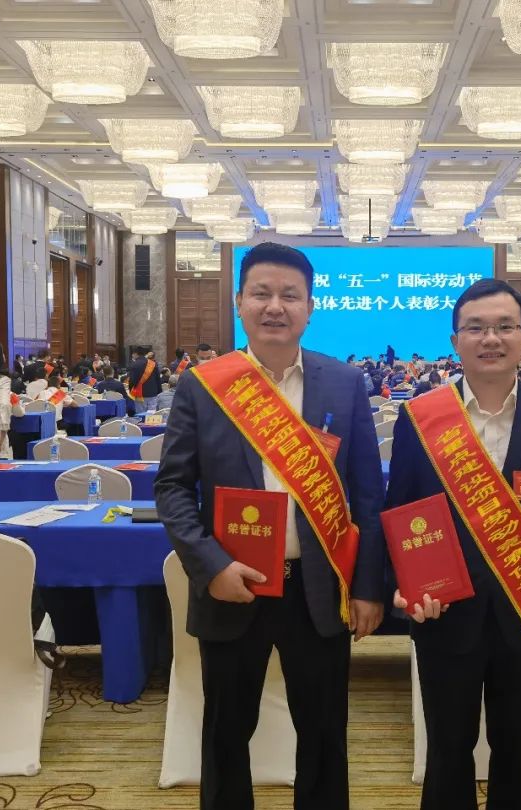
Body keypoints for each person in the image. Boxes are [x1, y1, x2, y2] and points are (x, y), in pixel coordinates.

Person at [154, 242, 386, 810]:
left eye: (290, 295)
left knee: (324, 734)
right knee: (226, 734)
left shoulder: (344, 383)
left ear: (310, 307)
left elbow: (366, 496)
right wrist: (211, 566)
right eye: (261, 293)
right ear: (240, 302)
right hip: (233, 585)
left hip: (319, 589)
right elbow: (173, 488)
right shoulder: (205, 384)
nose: (275, 306)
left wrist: (367, 587)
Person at [385, 278, 521, 810]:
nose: (491, 339)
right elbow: (401, 512)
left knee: (517, 753)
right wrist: (404, 587)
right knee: (446, 752)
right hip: (444, 614)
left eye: (505, 326)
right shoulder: (421, 418)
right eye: (476, 328)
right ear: (455, 341)